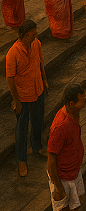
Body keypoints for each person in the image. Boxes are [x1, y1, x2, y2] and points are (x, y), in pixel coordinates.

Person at [47, 83, 86, 211]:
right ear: (71, 103)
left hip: (75, 168)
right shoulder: (60, 126)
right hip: (62, 174)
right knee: (60, 209)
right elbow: (50, 161)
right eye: (81, 100)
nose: (85, 102)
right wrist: (58, 186)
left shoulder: (75, 113)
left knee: (79, 197)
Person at [7, 19, 48, 177]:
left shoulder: (36, 43)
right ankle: (21, 159)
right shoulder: (13, 53)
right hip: (23, 96)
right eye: (33, 34)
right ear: (24, 36)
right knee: (21, 129)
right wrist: (16, 100)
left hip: (38, 90)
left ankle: (37, 146)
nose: (36, 36)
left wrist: (44, 80)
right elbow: (10, 79)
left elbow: (40, 63)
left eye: (36, 33)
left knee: (38, 121)